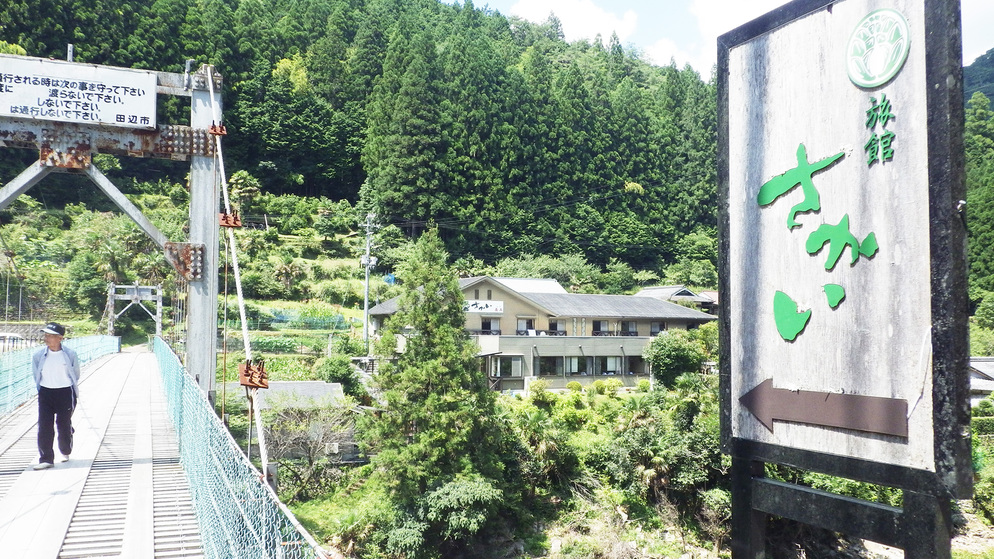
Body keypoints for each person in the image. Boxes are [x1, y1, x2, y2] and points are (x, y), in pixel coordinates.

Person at [31, 322, 80, 470]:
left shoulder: (70, 354)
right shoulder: (39, 355)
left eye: (50, 336)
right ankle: (46, 458)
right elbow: (36, 374)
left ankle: (65, 450)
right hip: (46, 392)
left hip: (65, 392)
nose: (47, 339)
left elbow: (75, 374)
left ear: (60, 338)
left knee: (63, 424)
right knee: (44, 425)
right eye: (45, 336)